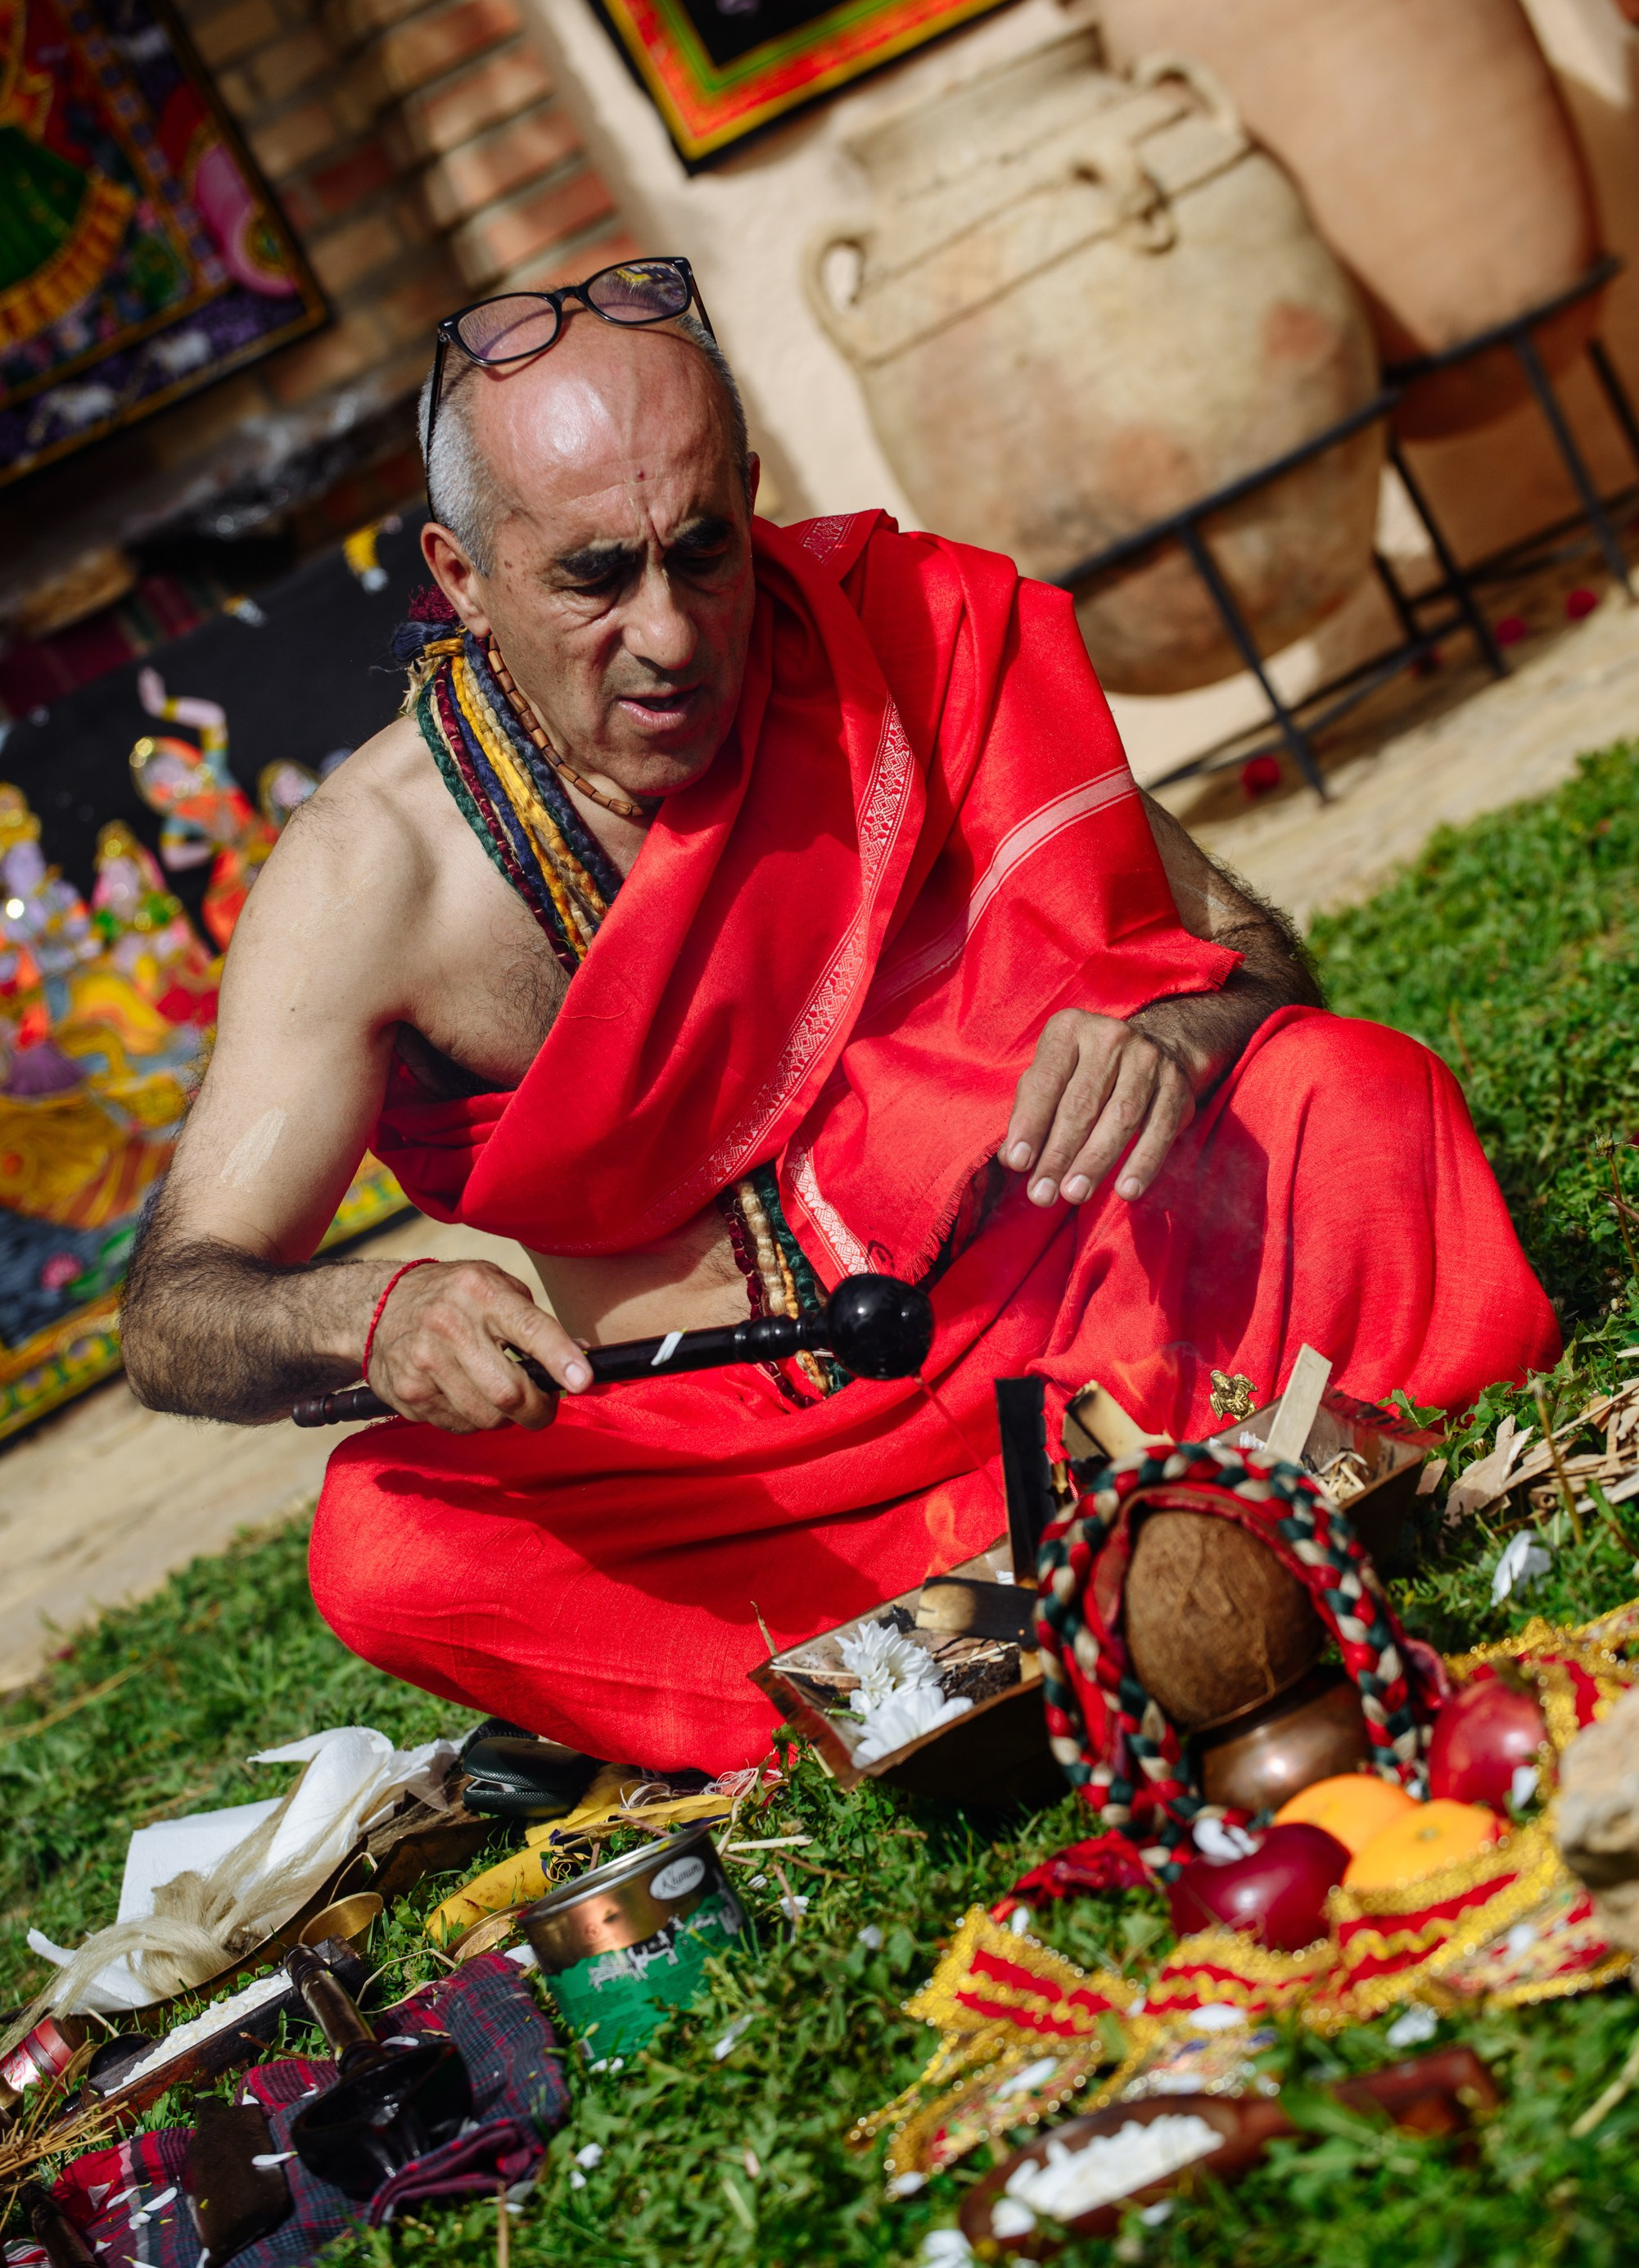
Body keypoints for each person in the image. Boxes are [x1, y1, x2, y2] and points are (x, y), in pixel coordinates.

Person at [121, 259, 1559, 1774]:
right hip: (734, 1475)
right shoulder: (371, 874)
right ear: (461, 576)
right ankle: (1125, 1550)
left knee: (1349, 1098)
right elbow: (176, 1311)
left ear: (751, 494)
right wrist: (369, 1311)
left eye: (704, 550)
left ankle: (975, 1637)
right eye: (594, 577)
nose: (670, 634)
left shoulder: (897, 631)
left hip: (1074, 1321)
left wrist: (1174, 1036)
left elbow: (1247, 956)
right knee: (386, 1543)